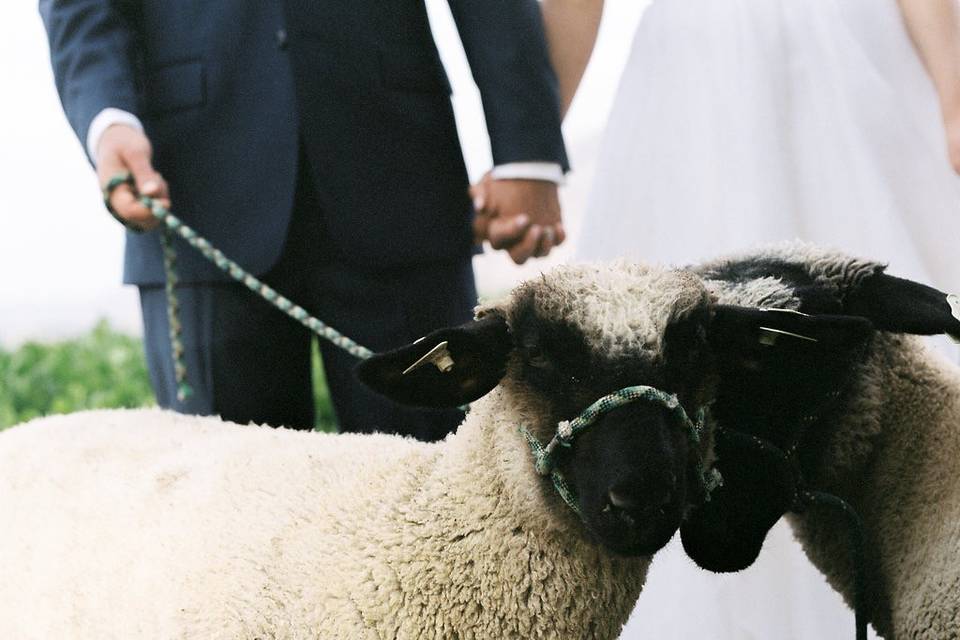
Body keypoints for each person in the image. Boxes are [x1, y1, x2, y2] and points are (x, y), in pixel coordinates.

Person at [477, 0, 960, 638]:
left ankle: (926, 581)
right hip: (686, 91)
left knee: (880, 354)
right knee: (663, 359)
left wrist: (955, 94)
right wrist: (531, 154)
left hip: (845, 67)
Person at [39, 1, 569, 440]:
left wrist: (527, 154)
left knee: (440, 508)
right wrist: (108, 121)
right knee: (222, 526)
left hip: (399, 179)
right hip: (195, 193)